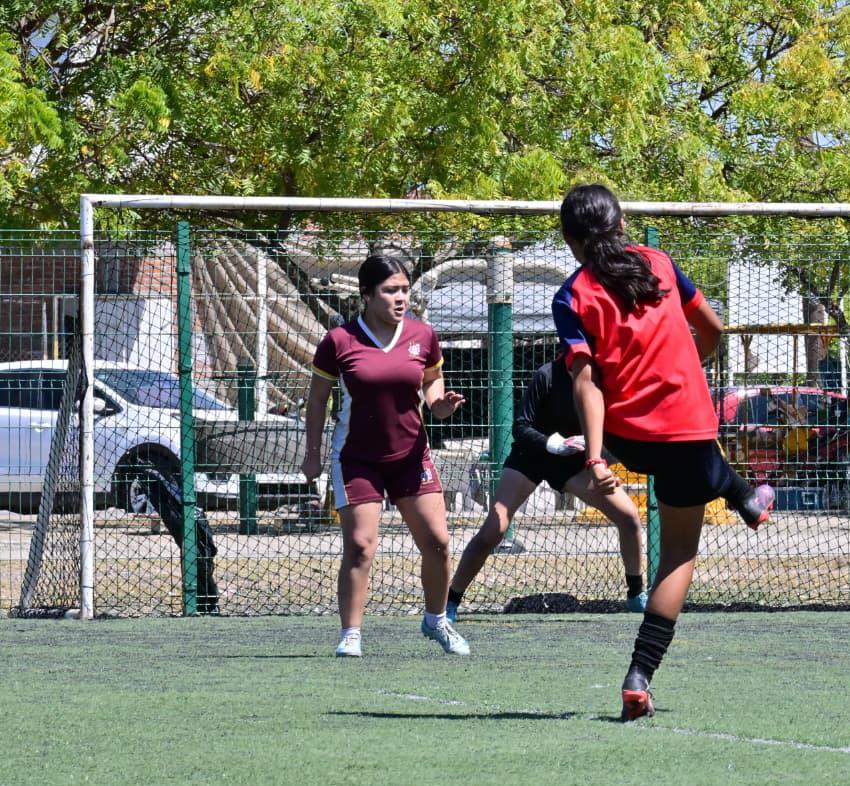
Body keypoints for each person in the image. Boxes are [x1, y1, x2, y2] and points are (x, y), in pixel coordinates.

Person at [553, 183, 776, 721]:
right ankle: (638, 676)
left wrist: (597, 457)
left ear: (569, 241)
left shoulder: (571, 294)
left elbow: (586, 384)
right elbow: (713, 329)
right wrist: (689, 361)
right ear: (622, 222)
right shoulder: (659, 263)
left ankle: (744, 494)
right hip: (688, 429)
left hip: (627, 433)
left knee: (559, 387)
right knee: (677, 556)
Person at [302, 254, 471, 658]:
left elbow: (432, 384)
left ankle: (436, 621)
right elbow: (317, 399)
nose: (401, 298)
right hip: (357, 460)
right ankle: (351, 634)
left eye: (405, 290)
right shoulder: (339, 342)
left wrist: (440, 405)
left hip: (410, 458)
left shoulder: (423, 335)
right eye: (390, 290)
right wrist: (312, 454)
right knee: (360, 546)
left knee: (438, 543)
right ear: (366, 294)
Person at [446, 356, 649, 620]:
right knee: (494, 530)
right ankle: (450, 602)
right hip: (531, 458)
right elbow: (520, 427)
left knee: (629, 516)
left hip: (575, 464)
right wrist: (551, 445)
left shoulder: (608, 379)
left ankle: (636, 595)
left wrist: (603, 463)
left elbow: (617, 431)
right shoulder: (546, 376)